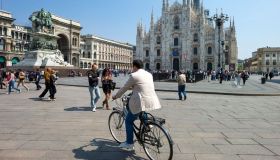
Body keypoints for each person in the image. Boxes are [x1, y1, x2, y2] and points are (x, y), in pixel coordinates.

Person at [112, 60, 162, 150]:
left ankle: (129, 143)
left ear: (134, 66)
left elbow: (124, 88)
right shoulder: (149, 74)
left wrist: (116, 96)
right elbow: (142, 86)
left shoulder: (134, 75)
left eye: (132, 67)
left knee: (128, 121)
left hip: (141, 101)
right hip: (151, 100)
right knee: (142, 111)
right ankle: (148, 125)